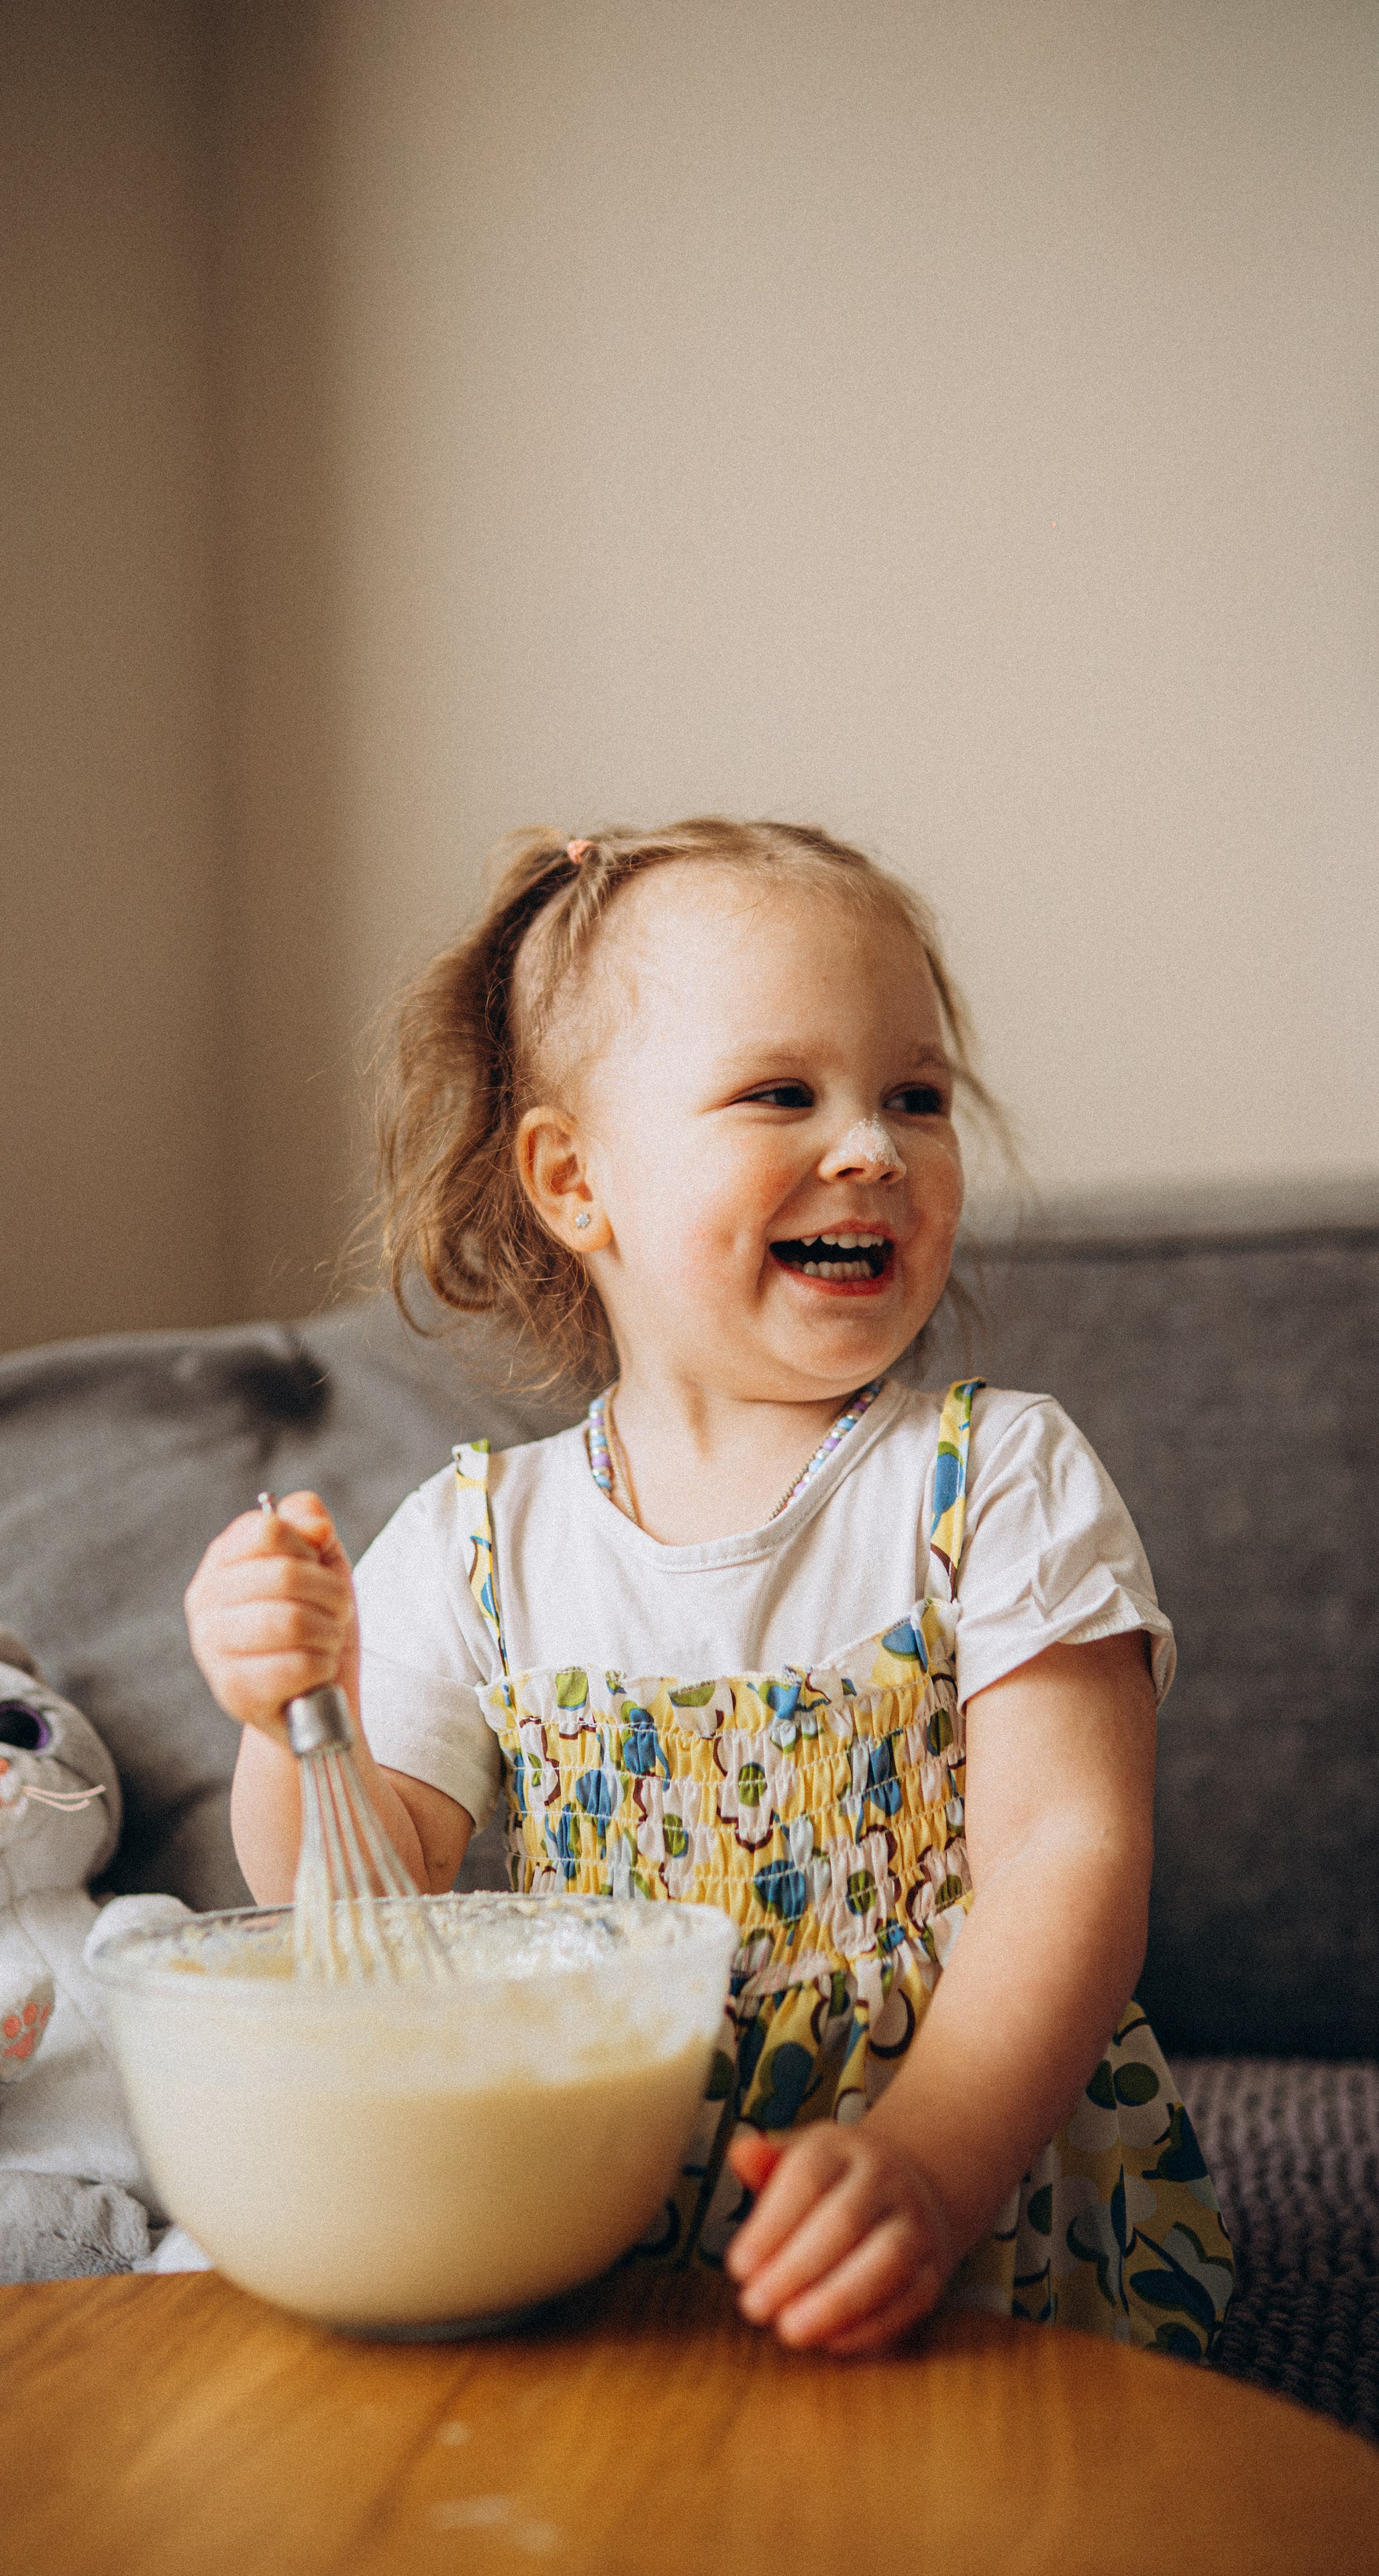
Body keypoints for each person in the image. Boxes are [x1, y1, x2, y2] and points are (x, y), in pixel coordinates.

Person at [185, 816, 1233, 2358]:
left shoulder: (995, 1481)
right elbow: (357, 1917)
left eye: (914, 1096)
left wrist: (928, 2168)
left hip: (969, 2210)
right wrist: (291, 1726)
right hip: (596, 2212)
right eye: (779, 1094)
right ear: (572, 1179)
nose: (872, 1145)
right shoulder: (481, 1541)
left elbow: (1065, 1864)